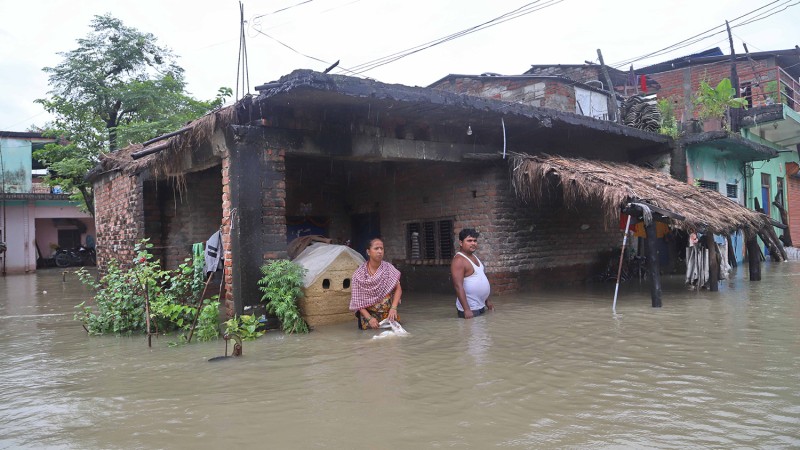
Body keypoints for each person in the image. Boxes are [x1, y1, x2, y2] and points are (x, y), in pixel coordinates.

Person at [349, 238, 402, 330]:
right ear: (368, 252)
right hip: (368, 317)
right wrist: (369, 318)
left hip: (388, 314)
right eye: (376, 248)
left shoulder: (388, 268)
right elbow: (357, 301)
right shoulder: (359, 274)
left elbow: (398, 289)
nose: (380, 251)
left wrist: (394, 308)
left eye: (382, 248)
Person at [451, 228, 493, 319]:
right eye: (469, 241)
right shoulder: (459, 260)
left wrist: (487, 301)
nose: (473, 243)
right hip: (470, 309)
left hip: (480, 305)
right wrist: (466, 310)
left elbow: (480, 279)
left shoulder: (473, 256)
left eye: (475, 241)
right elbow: (458, 286)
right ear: (461, 243)